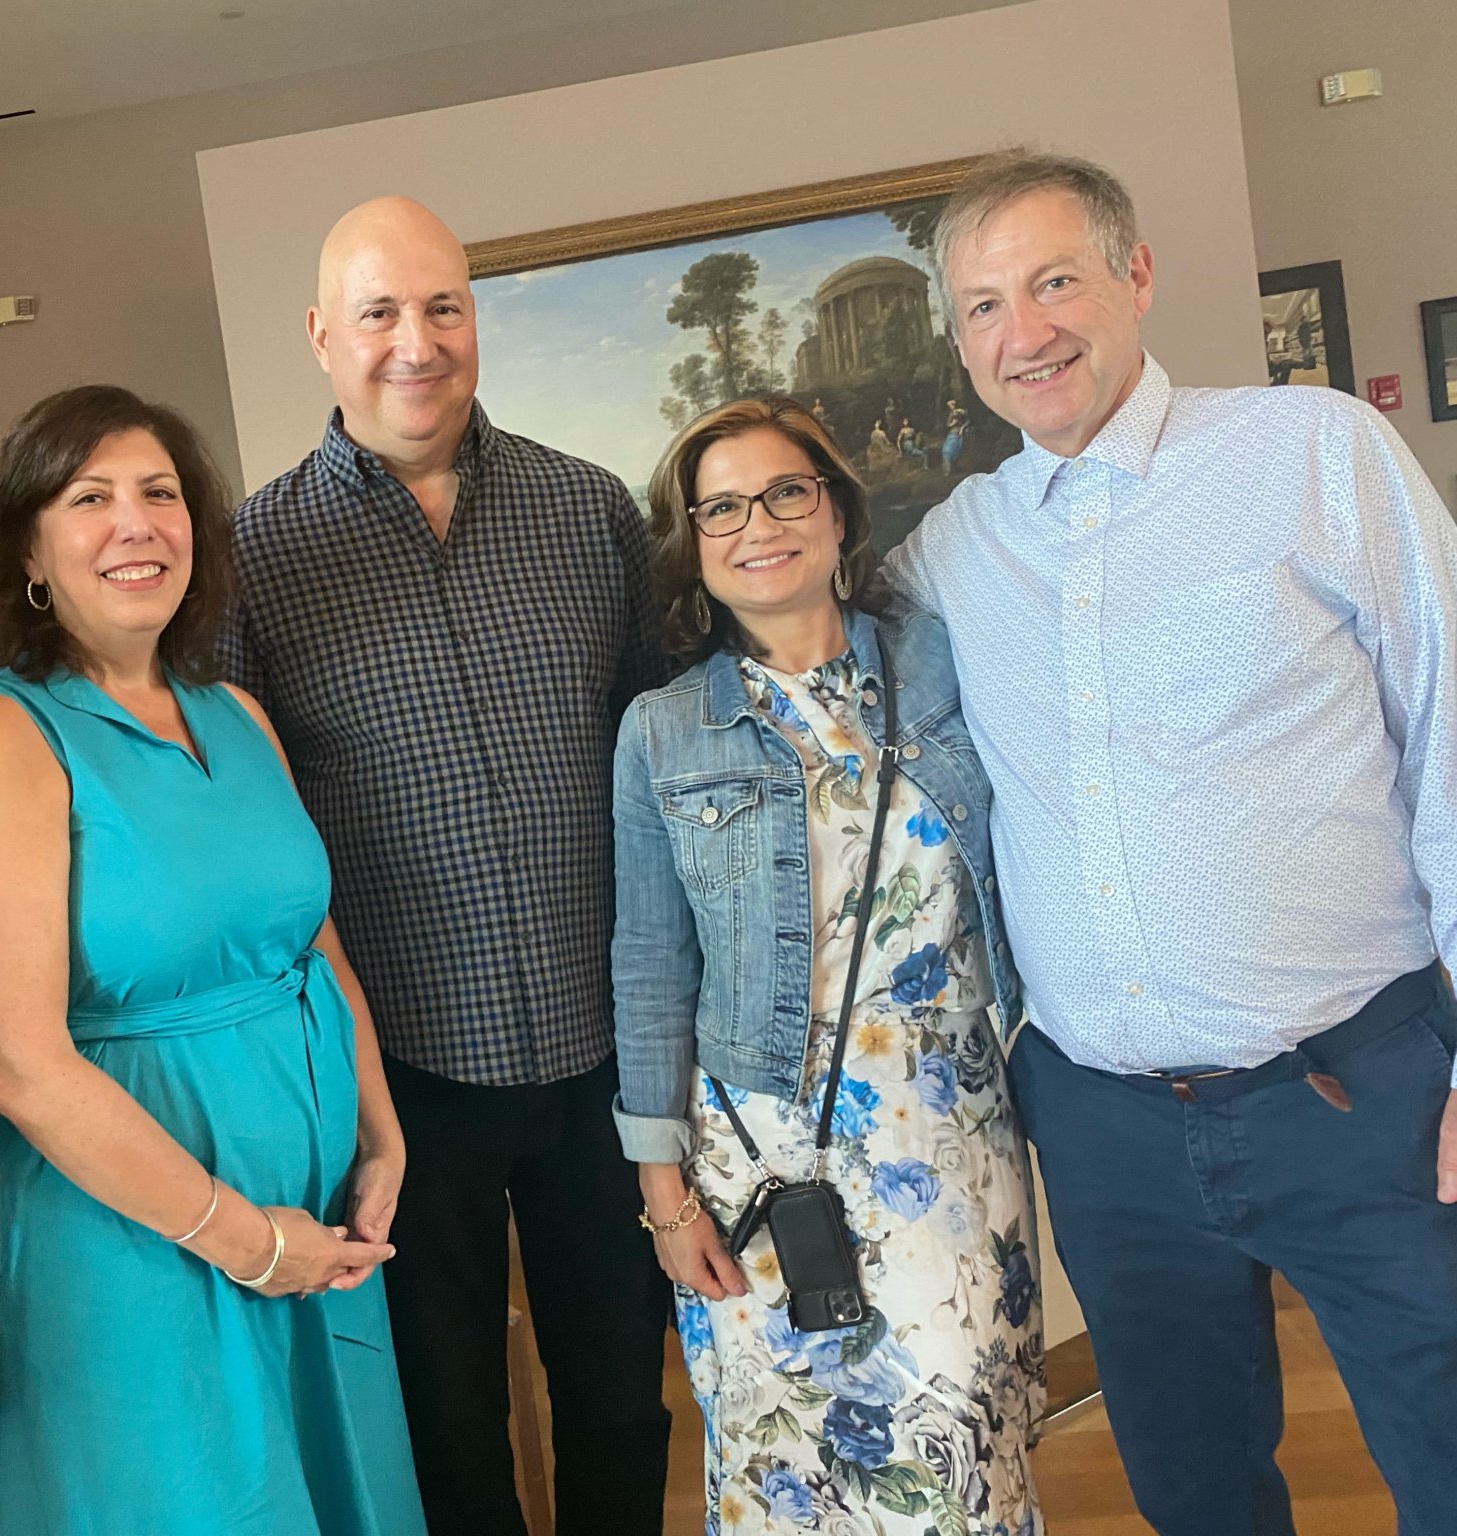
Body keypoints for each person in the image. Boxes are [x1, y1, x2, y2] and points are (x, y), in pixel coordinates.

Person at [881, 149, 1457, 1536]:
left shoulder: (1313, 451)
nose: (1024, 334)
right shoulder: (956, 548)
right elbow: (804, 646)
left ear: (1137, 276)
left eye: (1055, 280)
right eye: (982, 308)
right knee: (1194, 1492)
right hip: (1108, 1124)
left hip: (1357, 1089)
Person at [0, 385, 425, 1536]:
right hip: (143, 1245)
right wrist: (245, 1242)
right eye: (90, 498)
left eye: (159, 493)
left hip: (311, 1221)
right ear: (28, 550)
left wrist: (376, 1126)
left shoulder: (234, 709)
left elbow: (310, 935)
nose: (135, 523)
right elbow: (15, 1066)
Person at [219, 196, 672, 1534]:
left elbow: (657, 770)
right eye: (378, 312)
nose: (416, 343)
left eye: (444, 307)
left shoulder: (588, 512)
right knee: (443, 1422)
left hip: (603, 1058)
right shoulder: (253, 557)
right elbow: (247, 825)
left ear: (476, 319)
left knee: (618, 1402)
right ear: (320, 336)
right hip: (402, 1072)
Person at [614, 396, 1042, 1536]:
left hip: (943, 1135)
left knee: (957, 1460)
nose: (758, 524)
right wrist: (661, 1194)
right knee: (783, 1479)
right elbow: (651, 961)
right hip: (753, 1153)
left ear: (837, 510)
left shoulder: (946, 663)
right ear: (692, 548)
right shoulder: (663, 730)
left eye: (785, 491)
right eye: (720, 508)